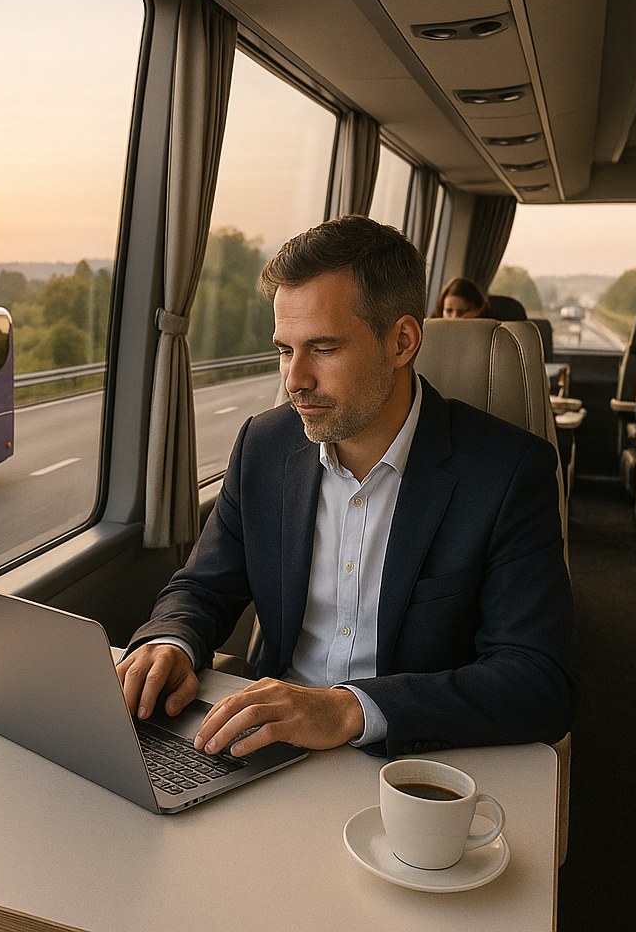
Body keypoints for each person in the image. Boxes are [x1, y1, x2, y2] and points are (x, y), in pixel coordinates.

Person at [118, 216, 577, 761]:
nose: (294, 380)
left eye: (325, 349)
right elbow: (202, 588)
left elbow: (539, 679)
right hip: (269, 745)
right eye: (286, 350)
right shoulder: (264, 447)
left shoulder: (505, 472)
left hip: (414, 762)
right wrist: (170, 640)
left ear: (402, 341)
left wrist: (347, 709)